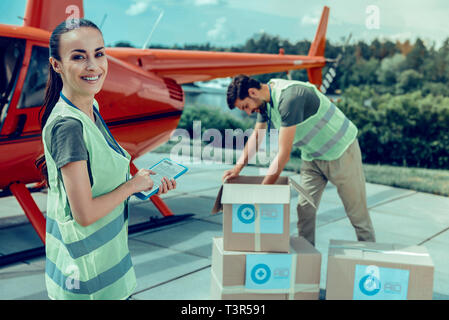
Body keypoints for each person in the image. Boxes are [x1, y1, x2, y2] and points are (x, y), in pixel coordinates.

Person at [36, 19, 176, 300]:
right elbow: (84, 214)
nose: (93, 66)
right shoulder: (69, 126)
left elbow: (99, 181)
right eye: (78, 57)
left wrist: (139, 183)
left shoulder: (90, 108)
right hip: (86, 283)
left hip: (106, 274)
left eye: (99, 54)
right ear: (56, 64)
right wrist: (131, 187)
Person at [223, 74, 375, 246]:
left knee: (357, 214)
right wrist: (237, 168)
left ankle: (369, 260)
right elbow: (257, 137)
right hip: (312, 157)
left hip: (341, 152)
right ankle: (306, 256)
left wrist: (262, 191)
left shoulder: (289, 99)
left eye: (245, 107)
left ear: (252, 92)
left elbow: (283, 155)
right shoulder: (265, 103)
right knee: (305, 210)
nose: (248, 112)